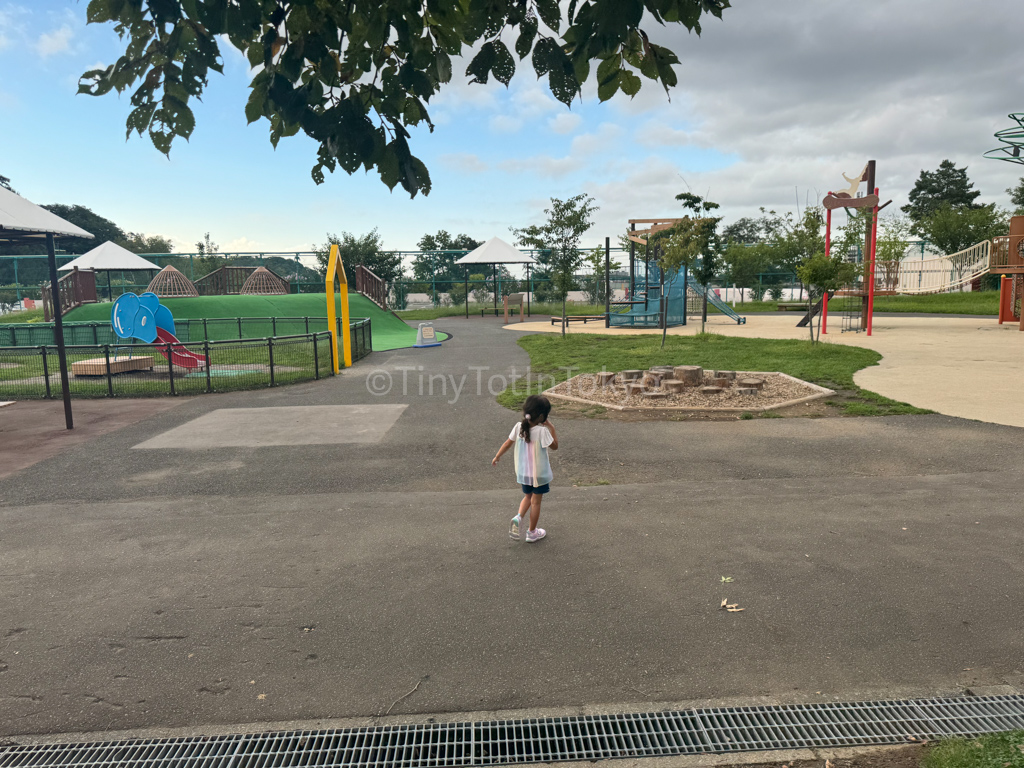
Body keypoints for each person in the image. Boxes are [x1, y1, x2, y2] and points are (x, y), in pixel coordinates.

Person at [492, 394, 558, 543]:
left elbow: (507, 443)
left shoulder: (518, 427)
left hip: (524, 473)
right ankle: (532, 532)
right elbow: (555, 446)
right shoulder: (543, 431)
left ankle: (518, 517)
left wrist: (497, 456)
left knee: (528, 497)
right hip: (539, 475)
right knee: (536, 502)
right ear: (542, 416)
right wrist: (551, 427)